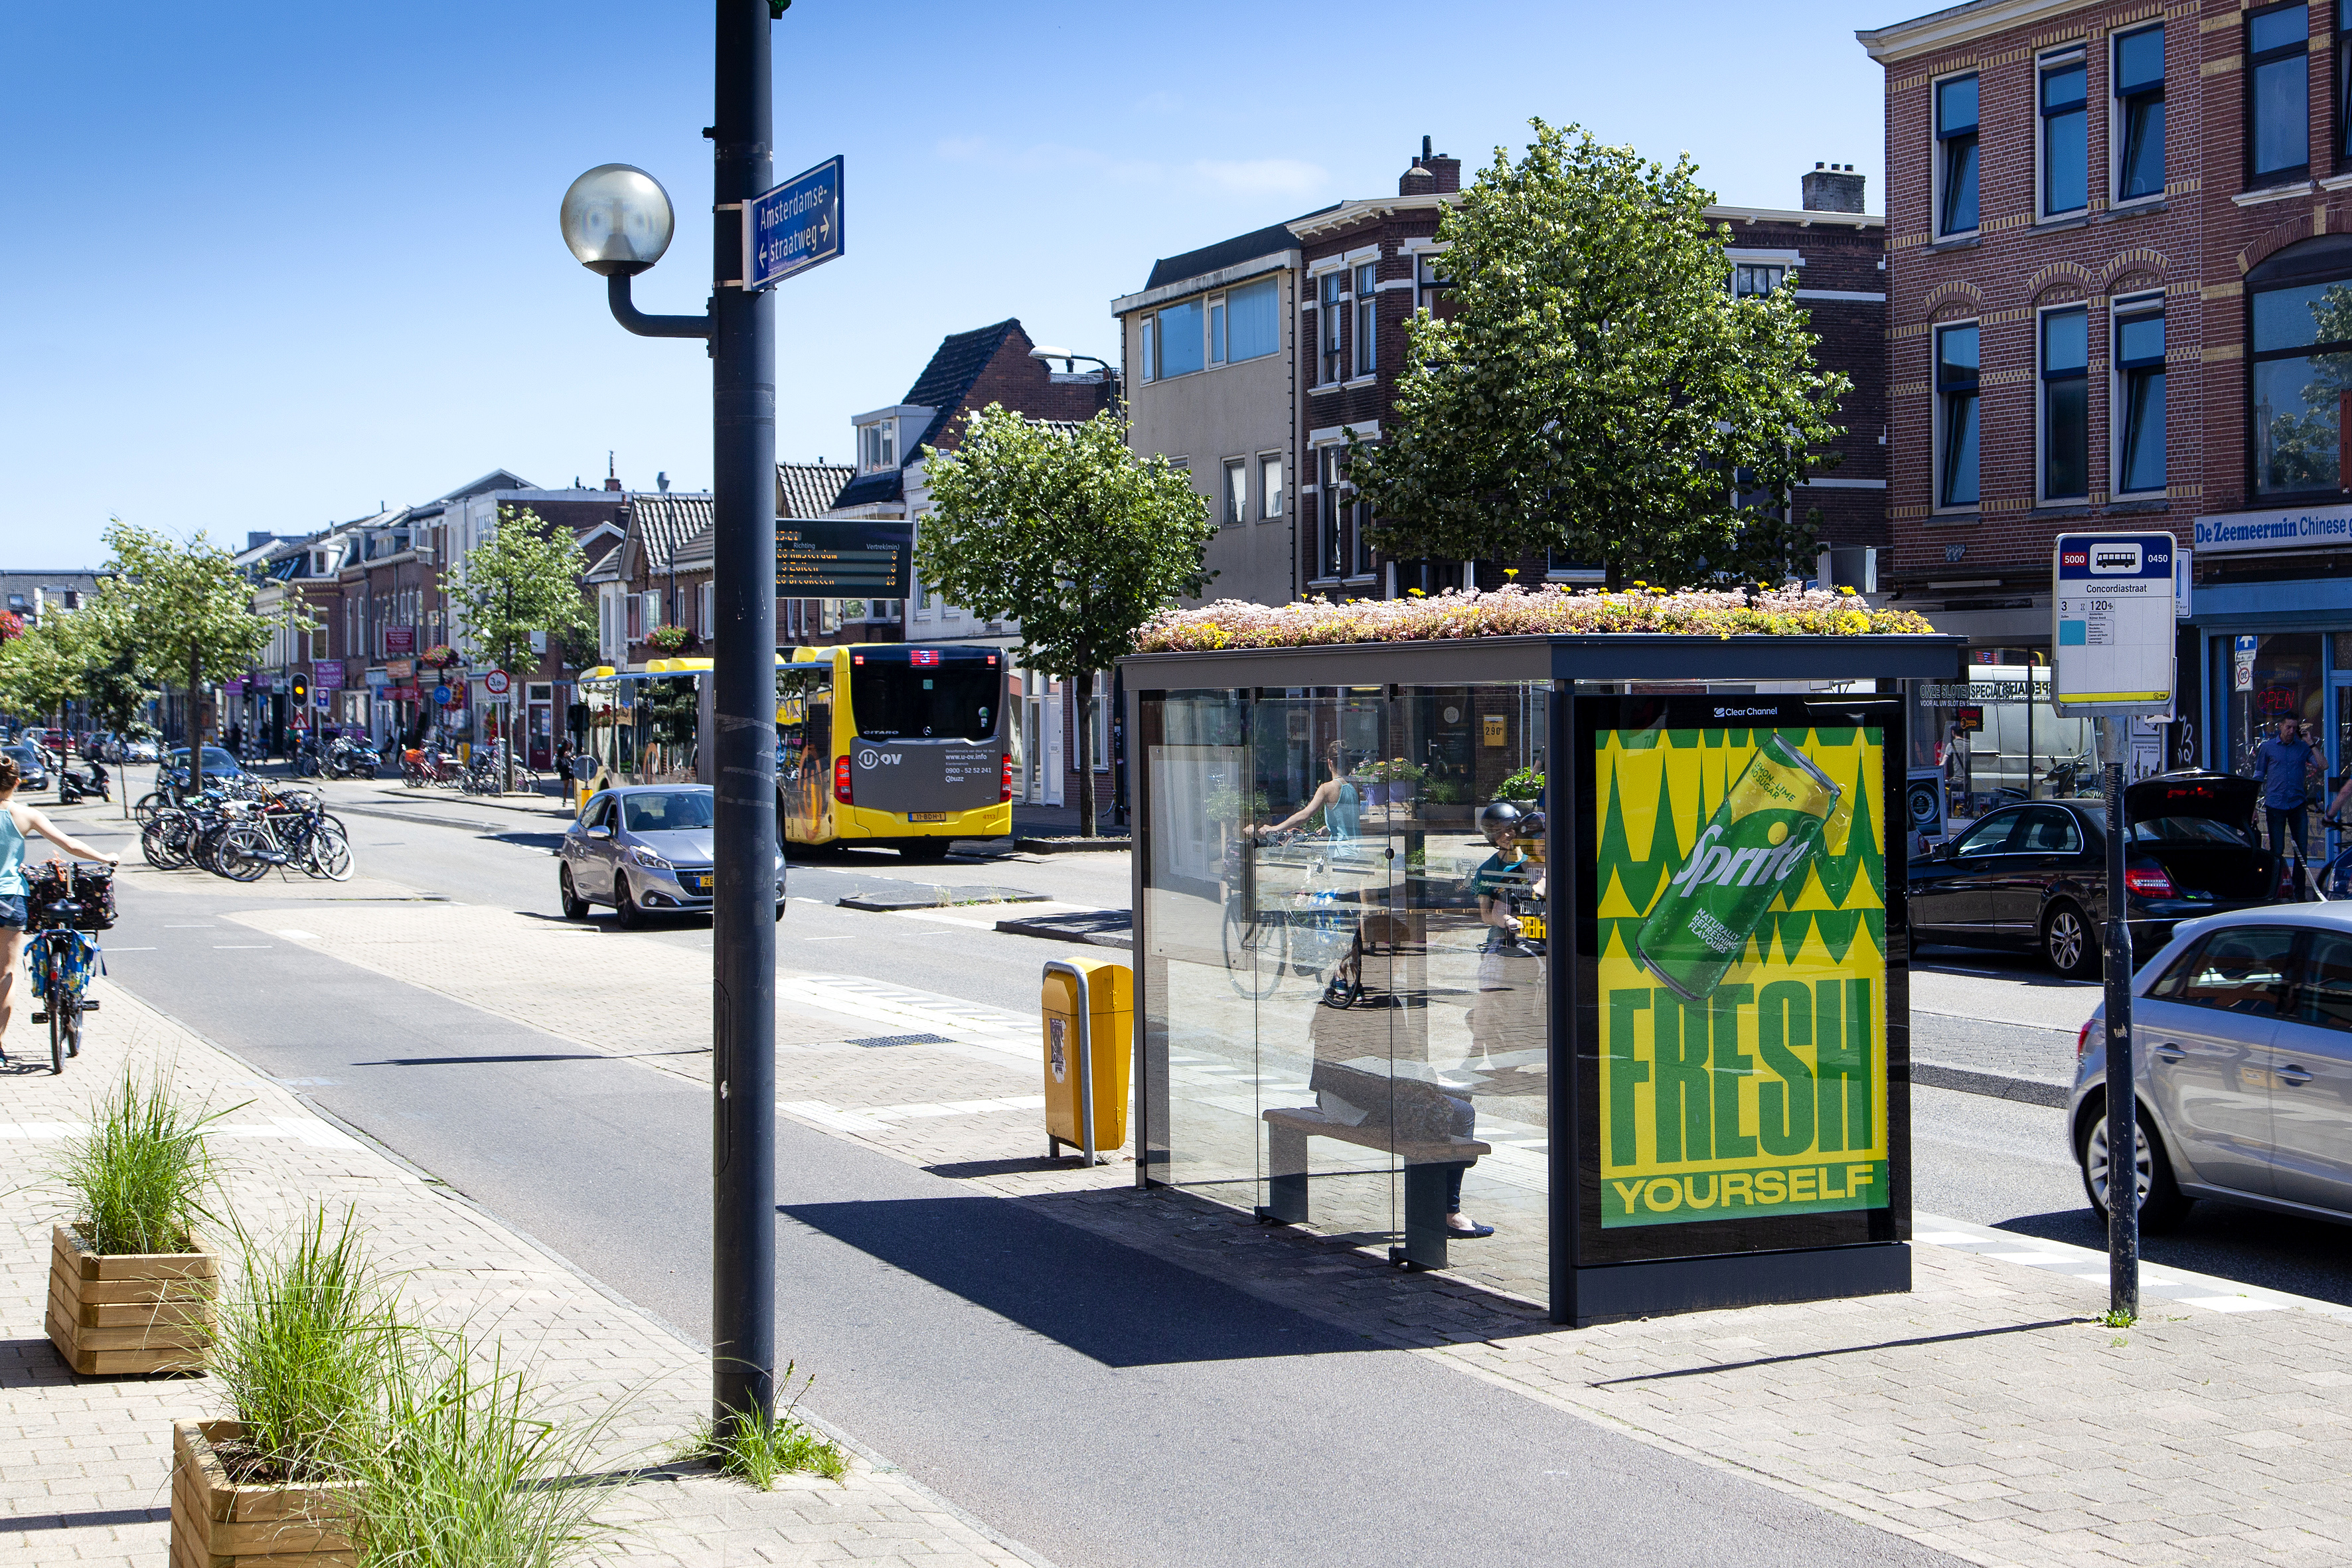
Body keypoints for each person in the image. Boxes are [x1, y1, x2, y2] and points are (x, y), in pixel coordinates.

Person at [0, 754, 118, 1054]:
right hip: (10, 897)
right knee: (6, 973)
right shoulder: (25, 815)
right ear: (16, 782)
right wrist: (105, 858)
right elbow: (71, 845)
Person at [2252, 716, 2321, 886]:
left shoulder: (2302, 747)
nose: (2291, 731)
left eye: (2294, 728)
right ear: (2281, 726)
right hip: (2276, 804)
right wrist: (2253, 805)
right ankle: (2276, 888)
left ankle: (2299, 890)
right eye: (2288, 727)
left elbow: (2323, 765)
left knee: (2302, 851)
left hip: (2297, 804)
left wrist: (2310, 742)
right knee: (2277, 850)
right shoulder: (2268, 748)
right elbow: (2258, 776)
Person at [1262, 743, 1361, 840]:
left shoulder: (1327, 788)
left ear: (1330, 763)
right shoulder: (1354, 784)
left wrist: (1275, 828)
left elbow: (1305, 815)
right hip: (1358, 848)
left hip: (1341, 851)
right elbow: (1349, 820)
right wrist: (1330, 828)